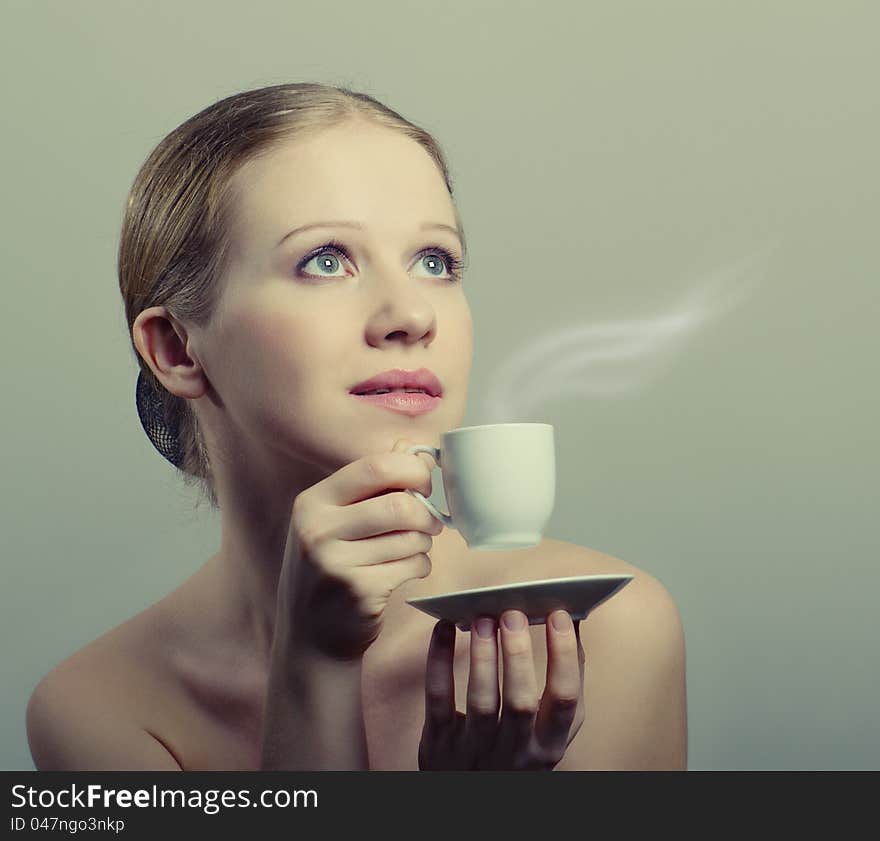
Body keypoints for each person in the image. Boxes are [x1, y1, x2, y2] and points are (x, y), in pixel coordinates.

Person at [25, 82, 687, 771]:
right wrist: (314, 665)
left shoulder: (603, 632)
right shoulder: (99, 710)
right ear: (176, 349)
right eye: (325, 260)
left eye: (436, 262)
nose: (412, 314)